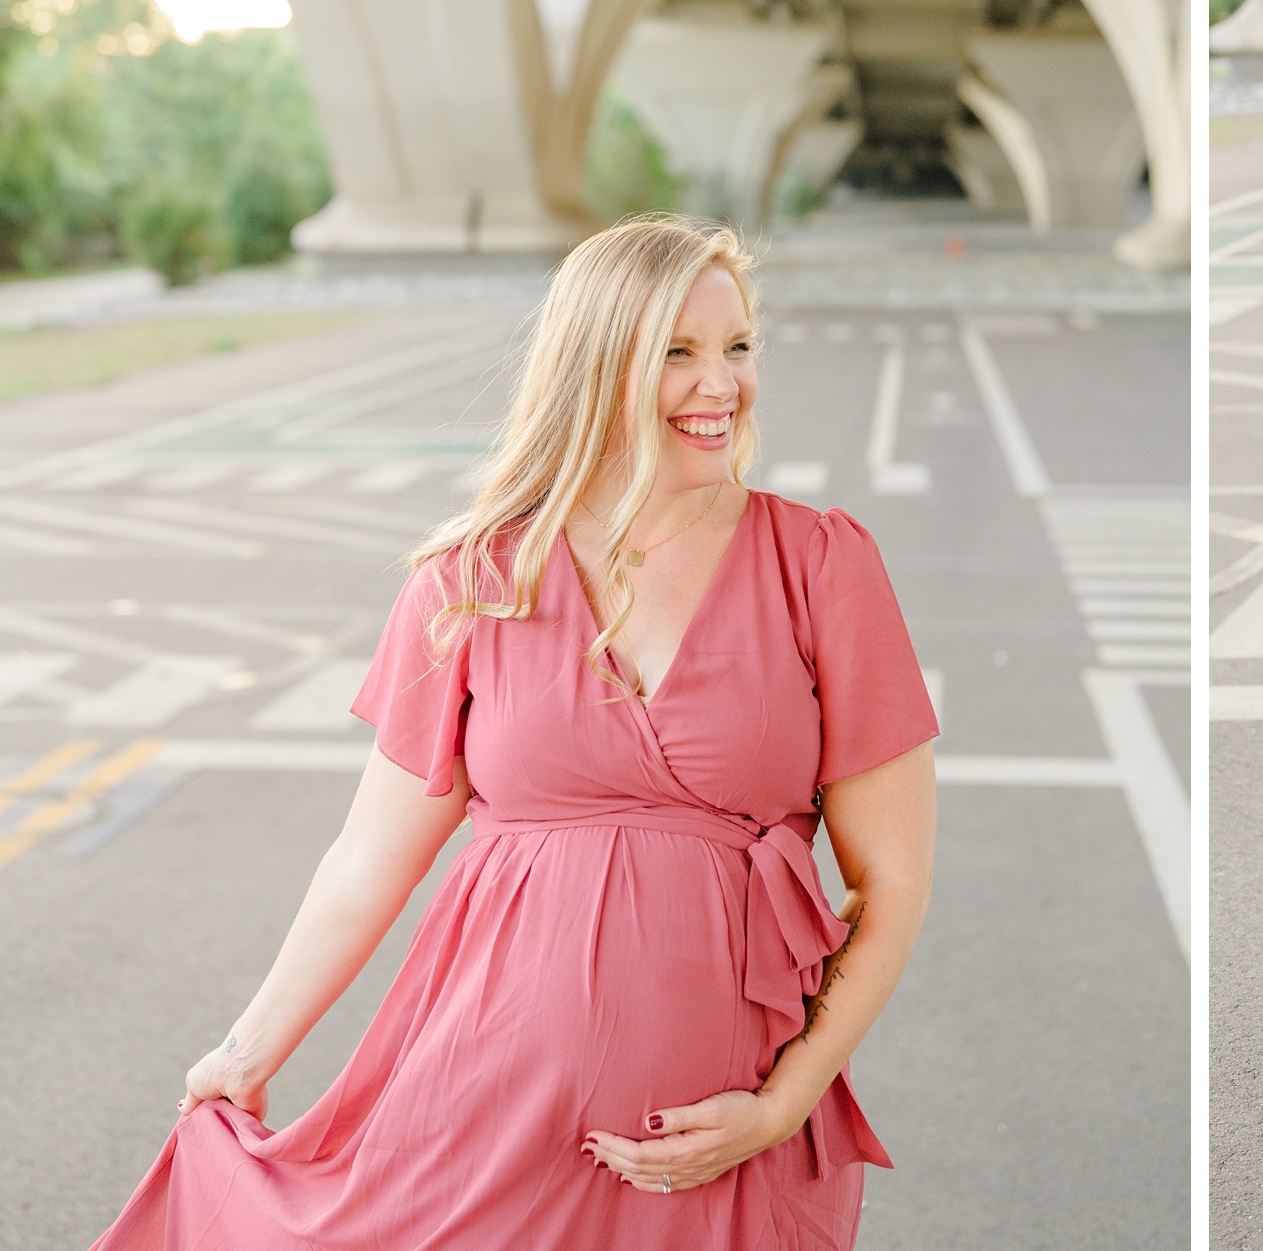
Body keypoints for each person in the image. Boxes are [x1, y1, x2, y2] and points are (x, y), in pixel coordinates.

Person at [94, 217, 939, 1250]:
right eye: (675, 352)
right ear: (597, 365)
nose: (721, 384)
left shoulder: (821, 564)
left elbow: (888, 884)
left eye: (738, 346)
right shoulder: (472, 580)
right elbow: (369, 858)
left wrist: (783, 1105)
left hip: (719, 1130)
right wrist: (248, 1047)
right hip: (482, 1105)